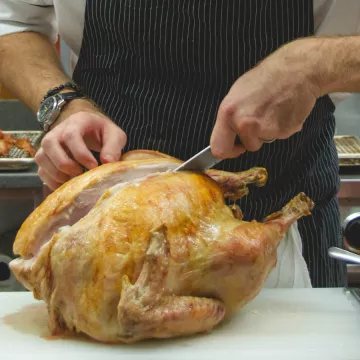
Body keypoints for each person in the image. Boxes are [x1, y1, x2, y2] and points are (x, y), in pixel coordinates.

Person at [0, 0, 359, 288]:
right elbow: (14, 23)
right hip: (101, 249)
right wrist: (63, 105)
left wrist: (314, 64)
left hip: (281, 238)